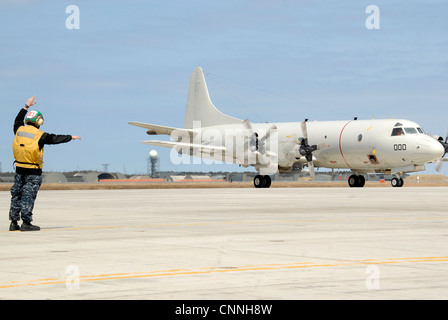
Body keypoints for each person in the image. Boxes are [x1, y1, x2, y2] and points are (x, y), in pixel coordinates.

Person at [9, 96, 81, 231]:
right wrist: (70, 137)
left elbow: (17, 120)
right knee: (28, 196)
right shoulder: (40, 135)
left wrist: (26, 106)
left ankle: (13, 223)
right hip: (33, 171)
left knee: (16, 194)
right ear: (39, 121)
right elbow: (55, 138)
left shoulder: (19, 129)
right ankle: (26, 223)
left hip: (19, 169)